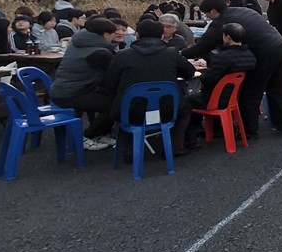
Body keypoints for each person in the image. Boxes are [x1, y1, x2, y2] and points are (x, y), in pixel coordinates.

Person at [181, 0, 282, 137]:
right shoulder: (243, 11)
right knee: (277, 88)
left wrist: (180, 54)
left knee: (251, 93)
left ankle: (249, 131)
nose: (207, 17)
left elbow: (202, 46)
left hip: (264, 53)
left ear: (213, 11)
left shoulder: (221, 23)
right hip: (281, 45)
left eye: (207, 14)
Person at [100, 19, 197, 160]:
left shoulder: (122, 56)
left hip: (129, 110)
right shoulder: (171, 53)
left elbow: (109, 84)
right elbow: (189, 72)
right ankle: (173, 147)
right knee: (185, 108)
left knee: (125, 103)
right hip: (166, 109)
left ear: (137, 35)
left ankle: (128, 151)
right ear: (161, 35)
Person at [185, 22, 258, 147]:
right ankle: (210, 129)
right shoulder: (249, 56)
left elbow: (208, 79)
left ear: (228, 37)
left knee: (186, 101)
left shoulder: (223, 57)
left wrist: (202, 74)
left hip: (214, 99)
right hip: (232, 98)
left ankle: (192, 135)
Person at [49, 17, 117, 151]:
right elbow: (115, 71)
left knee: (110, 97)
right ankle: (89, 136)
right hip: (71, 93)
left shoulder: (78, 43)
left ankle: (102, 133)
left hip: (66, 88)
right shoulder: (99, 52)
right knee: (115, 105)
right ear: (105, 35)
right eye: (113, 33)